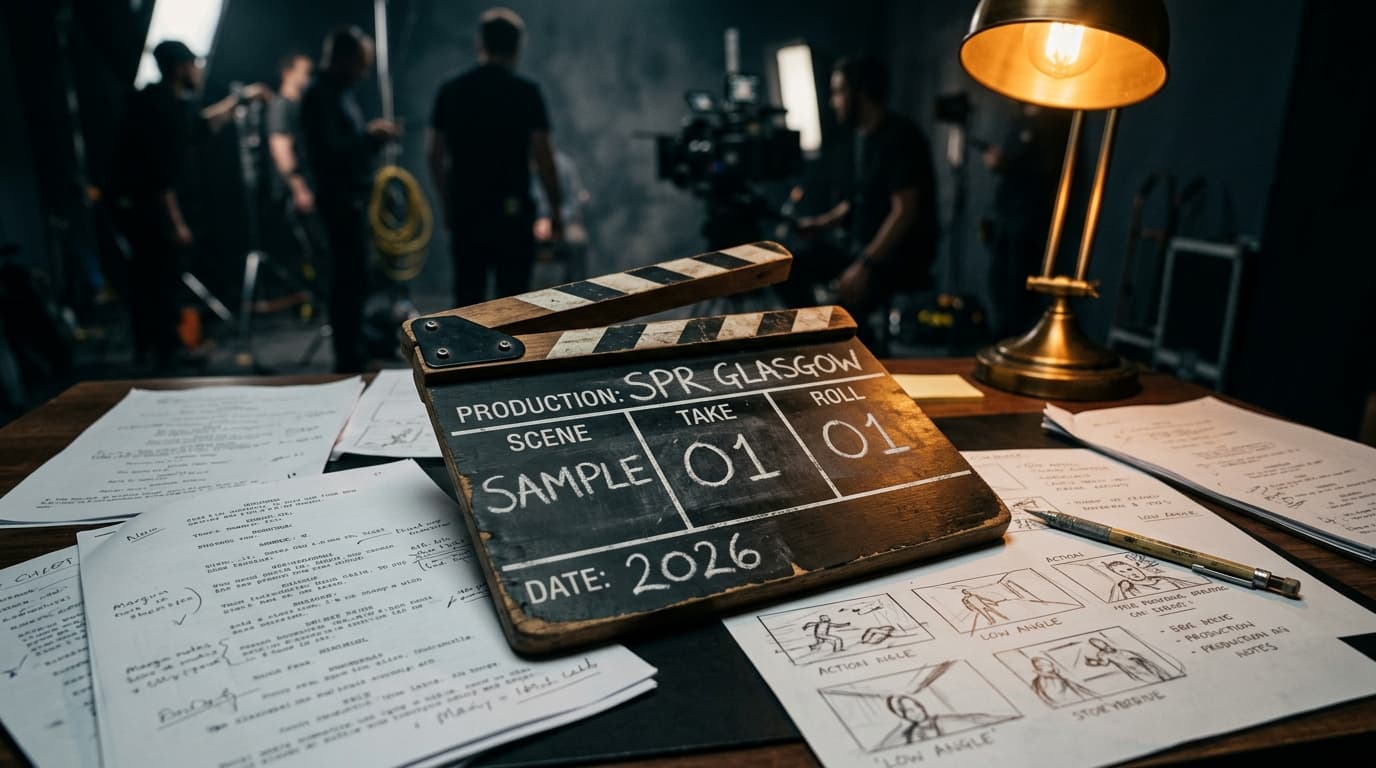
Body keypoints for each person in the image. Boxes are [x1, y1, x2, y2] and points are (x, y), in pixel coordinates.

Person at [108, 40, 270, 371]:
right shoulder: (159, 109)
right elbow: (159, 173)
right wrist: (176, 222)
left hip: (144, 209)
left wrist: (239, 100)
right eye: (195, 64)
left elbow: (198, 126)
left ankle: (156, 351)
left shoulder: (161, 103)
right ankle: (165, 354)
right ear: (181, 67)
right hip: (151, 212)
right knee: (160, 280)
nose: (199, 70)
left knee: (153, 280)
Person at [784, 54, 938, 352]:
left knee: (841, 317)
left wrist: (864, 266)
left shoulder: (901, 137)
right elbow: (859, 201)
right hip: (863, 251)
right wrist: (821, 224)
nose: (833, 102)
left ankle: (866, 352)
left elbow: (904, 210)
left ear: (861, 93)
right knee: (790, 268)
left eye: (838, 91)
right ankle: (849, 343)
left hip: (895, 257)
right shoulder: (865, 138)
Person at [428, 7, 562, 308]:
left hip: (467, 210)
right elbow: (544, 156)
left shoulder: (451, 90)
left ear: (481, 44)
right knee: (513, 306)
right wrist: (555, 209)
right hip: (513, 214)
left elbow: (434, 154)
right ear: (517, 47)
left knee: (467, 303)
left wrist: (447, 202)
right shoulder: (527, 92)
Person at [299, 27, 402, 373]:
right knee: (347, 280)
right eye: (361, 63)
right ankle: (349, 356)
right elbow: (330, 153)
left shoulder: (338, 94)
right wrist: (370, 138)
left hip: (351, 201)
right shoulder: (320, 96)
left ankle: (357, 348)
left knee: (355, 278)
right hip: (338, 202)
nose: (364, 72)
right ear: (343, 60)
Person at [981, 102, 1073, 339]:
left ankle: (1017, 338)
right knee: (999, 280)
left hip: (1028, 216)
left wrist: (1006, 164)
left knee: (1019, 283)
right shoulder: (1019, 121)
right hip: (1007, 213)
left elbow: (1047, 168)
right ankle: (1003, 337)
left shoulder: (1051, 122)